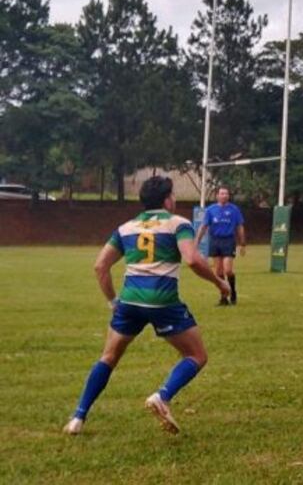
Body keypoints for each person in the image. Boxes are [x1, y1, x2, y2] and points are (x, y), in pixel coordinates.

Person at [63, 176, 230, 436]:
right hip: (162, 302)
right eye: (172, 195)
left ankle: (78, 417)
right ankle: (162, 396)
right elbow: (193, 260)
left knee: (108, 357)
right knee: (197, 356)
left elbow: (100, 266)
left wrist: (112, 301)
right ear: (166, 199)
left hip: (129, 302)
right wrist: (220, 283)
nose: (174, 199)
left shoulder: (126, 227)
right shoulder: (178, 224)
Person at [194, 186, 245, 305]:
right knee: (218, 272)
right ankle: (223, 297)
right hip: (215, 241)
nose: (224, 196)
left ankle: (233, 291)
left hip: (228, 240)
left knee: (228, 270)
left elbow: (240, 226)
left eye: (226, 194)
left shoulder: (234, 209)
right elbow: (204, 226)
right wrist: (197, 241)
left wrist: (242, 243)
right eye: (222, 193)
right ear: (217, 196)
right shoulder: (211, 210)